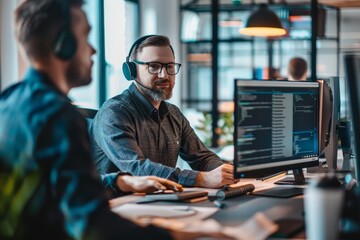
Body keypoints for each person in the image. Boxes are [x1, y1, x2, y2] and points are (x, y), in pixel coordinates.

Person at [0, 0, 188, 239]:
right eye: (86, 37)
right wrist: (184, 234)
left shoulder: (9, 101)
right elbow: (94, 226)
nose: (93, 50)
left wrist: (118, 182)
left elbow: (55, 186)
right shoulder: (58, 115)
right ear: (64, 45)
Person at [90, 35, 234, 188]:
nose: (164, 75)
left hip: (160, 201)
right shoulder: (114, 113)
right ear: (132, 70)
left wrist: (224, 172)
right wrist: (201, 179)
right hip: (119, 204)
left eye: (170, 66)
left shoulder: (173, 114)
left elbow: (202, 157)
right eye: (154, 66)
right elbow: (137, 169)